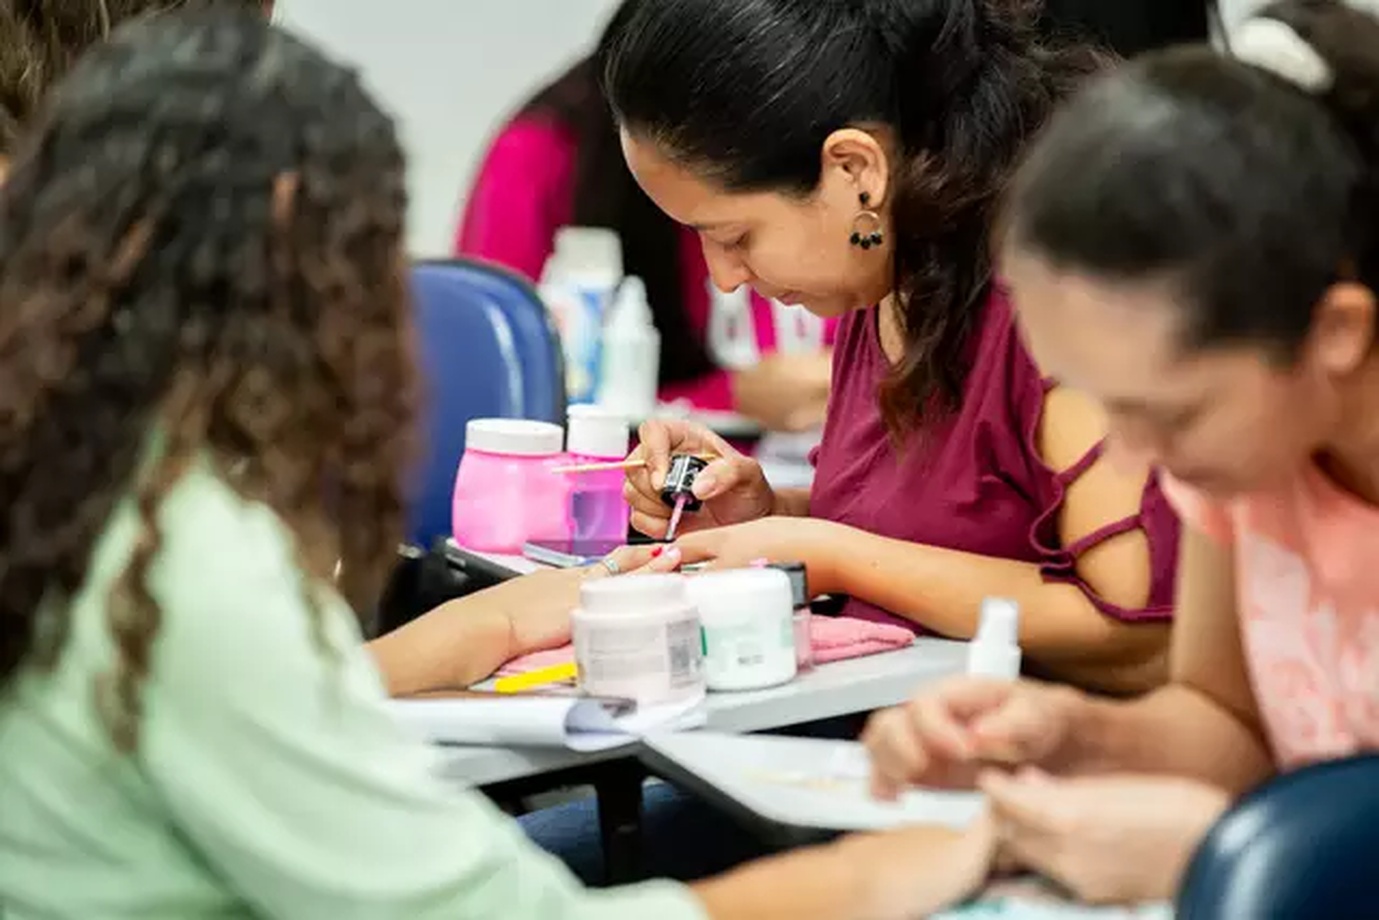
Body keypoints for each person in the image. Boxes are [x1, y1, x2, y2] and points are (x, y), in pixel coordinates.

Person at [0, 11, 1004, 918]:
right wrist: (872, 878)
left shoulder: (70, 484)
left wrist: (516, 614)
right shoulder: (195, 565)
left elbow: (300, 693)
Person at [863, 0, 1379, 905]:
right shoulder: (1245, 464)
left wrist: (1220, 859)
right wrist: (1067, 732)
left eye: (1167, 413)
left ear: (1333, 332)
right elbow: (1228, 724)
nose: (1139, 459)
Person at [613, 0, 1179, 695]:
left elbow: (1139, 635)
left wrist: (830, 556)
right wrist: (769, 515)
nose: (723, 277)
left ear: (856, 170)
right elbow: (946, 534)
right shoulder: (888, 269)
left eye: (734, 238)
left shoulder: (1060, 298)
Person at [456, 0, 835, 433]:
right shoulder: (542, 157)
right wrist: (735, 395)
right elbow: (495, 391)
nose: (726, 273)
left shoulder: (839, 124)